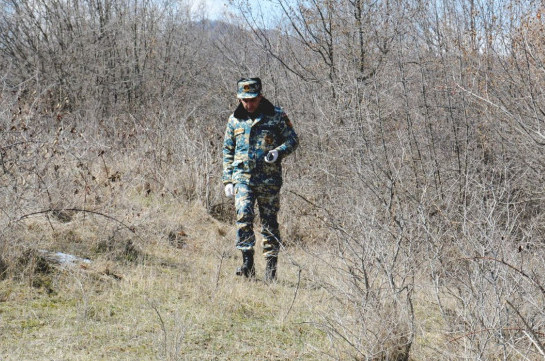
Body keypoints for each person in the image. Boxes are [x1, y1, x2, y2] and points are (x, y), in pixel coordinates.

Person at [222, 78, 299, 281]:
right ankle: (247, 263)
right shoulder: (235, 119)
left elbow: (293, 139)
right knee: (243, 215)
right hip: (242, 178)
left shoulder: (276, 115)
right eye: (245, 100)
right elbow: (227, 150)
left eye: (253, 100)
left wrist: (278, 151)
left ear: (260, 97)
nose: (249, 105)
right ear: (239, 99)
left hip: (269, 179)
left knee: (269, 223)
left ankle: (271, 270)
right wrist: (227, 180)